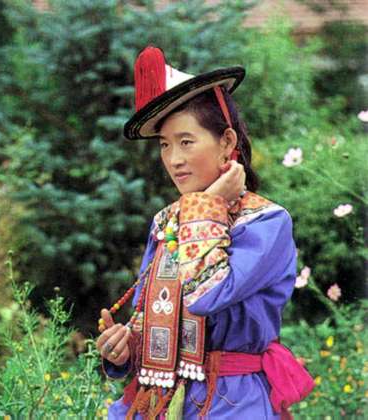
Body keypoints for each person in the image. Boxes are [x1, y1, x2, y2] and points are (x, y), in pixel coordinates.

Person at [96, 46, 315, 419]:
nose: (174, 159)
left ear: (226, 142)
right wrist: (126, 349)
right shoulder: (167, 222)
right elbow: (156, 317)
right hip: (160, 402)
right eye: (165, 145)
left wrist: (206, 205)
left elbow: (208, 294)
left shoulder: (266, 224)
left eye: (186, 142)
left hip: (232, 402)